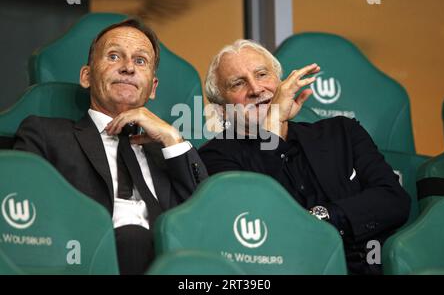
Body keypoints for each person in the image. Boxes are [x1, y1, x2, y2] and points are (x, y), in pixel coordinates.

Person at [199, 39, 410, 275]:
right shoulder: (213, 157)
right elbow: (263, 227)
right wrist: (272, 127)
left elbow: (394, 201)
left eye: (261, 74)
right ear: (221, 109)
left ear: (280, 84)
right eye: (238, 83)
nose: (256, 89)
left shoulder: (342, 132)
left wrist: (325, 215)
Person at [14, 18, 208, 274]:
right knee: (133, 238)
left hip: (174, 268)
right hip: (83, 262)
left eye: (140, 61)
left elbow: (208, 219)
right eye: (114, 56)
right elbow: (25, 211)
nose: (128, 68)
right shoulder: (46, 134)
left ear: (153, 88)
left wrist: (173, 138)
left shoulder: (168, 153)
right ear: (86, 76)